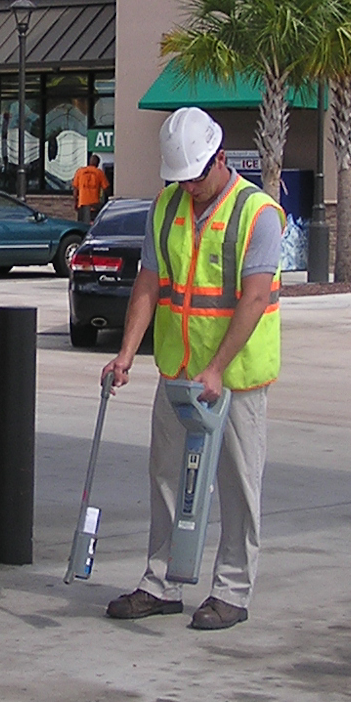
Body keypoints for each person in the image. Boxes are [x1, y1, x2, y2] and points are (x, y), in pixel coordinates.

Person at [102, 107, 281, 631]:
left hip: (236, 377)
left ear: (220, 158)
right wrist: (127, 353)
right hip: (178, 370)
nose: (189, 188)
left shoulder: (258, 215)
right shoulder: (166, 208)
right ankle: (160, 583)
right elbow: (148, 284)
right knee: (164, 478)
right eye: (179, 179)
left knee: (237, 487)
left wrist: (219, 367)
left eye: (196, 177)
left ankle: (231, 590)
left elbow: (252, 299)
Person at [72, 153, 109, 224]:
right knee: (93, 225)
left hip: (82, 204)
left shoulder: (80, 172)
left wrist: (75, 203)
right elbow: (106, 188)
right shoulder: (99, 173)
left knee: (81, 225)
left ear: (89, 162)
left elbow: (75, 189)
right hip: (94, 205)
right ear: (98, 164)